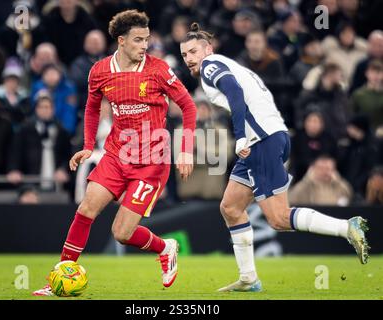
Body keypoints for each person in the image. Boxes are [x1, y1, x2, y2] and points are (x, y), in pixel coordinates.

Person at [179, 23, 370, 293]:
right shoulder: (227, 63)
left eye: (193, 51)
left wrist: (241, 136)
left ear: (207, 49)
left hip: (262, 142)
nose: (188, 58)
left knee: (278, 219)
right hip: (269, 138)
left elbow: (234, 91)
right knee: (231, 208)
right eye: (184, 54)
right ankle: (248, 278)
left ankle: (345, 227)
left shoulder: (210, 65)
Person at [33, 10, 196, 296]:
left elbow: (189, 106)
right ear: (121, 41)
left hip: (151, 162)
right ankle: (57, 278)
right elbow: (92, 108)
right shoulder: (100, 71)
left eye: (147, 39)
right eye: (138, 40)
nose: (144, 45)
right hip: (116, 154)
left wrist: (185, 151)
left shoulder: (158, 70)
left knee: (121, 233)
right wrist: (86, 146)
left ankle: (165, 247)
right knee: (85, 209)